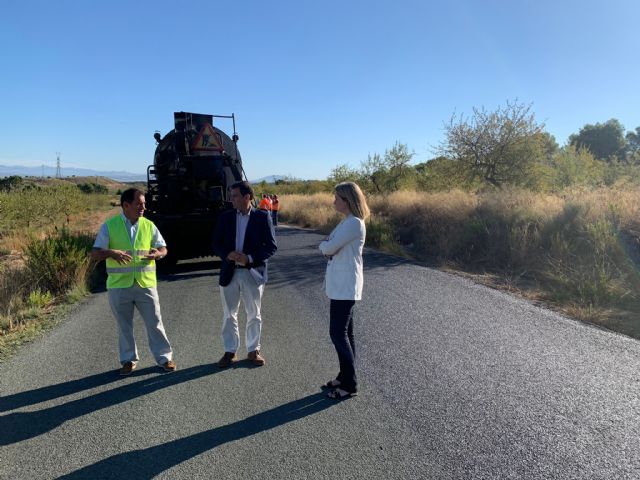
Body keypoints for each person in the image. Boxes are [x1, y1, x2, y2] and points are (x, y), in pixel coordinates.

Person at [90, 188, 176, 375]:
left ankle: (165, 358)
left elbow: (163, 248)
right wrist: (111, 253)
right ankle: (128, 360)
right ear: (126, 205)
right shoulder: (109, 226)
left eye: (144, 203)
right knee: (124, 326)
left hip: (145, 284)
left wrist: (158, 254)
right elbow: (95, 253)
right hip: (119, 286)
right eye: (139, 204)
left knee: (155, 322)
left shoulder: (149, 225)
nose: (143, 207)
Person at [213, 181, 277, 367]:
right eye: (231, 196)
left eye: (235, 196)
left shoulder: (262, 217)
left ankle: (253, 350)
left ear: (247, 197)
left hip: (252, 272)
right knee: (229, 314)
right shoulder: (225, 217)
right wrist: (227, 254)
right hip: (230, 272)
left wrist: (249, 258)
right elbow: (216, 242)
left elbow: (271, 246)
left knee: (254, 313)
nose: (231, 199)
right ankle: (230, 351)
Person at [319, 182, 369, 399]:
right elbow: (330, 244)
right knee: (346, 333)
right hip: (341, 285)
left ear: (347, 200)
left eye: (337, 198)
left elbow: (328, 246)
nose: (334, 201)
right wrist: (328, 246)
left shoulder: (353, 224)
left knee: (337, 333)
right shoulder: (347, 222)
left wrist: (326, 247)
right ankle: (345, 375)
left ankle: (349, 385)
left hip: (345, 286)